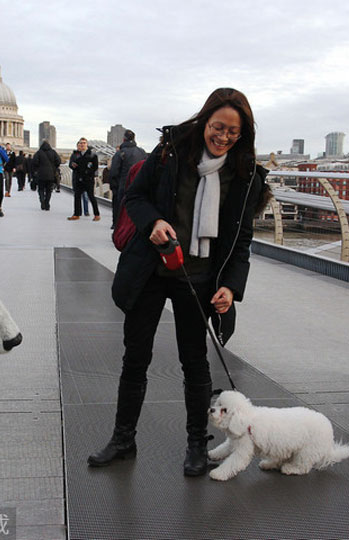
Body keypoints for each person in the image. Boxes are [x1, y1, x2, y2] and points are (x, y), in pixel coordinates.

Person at [87, 88, 271, 476]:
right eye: (218, 127)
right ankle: (123, 438)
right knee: (135, 357)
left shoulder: (245, 174)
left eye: (233, 133)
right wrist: (153, 222)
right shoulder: (171, 152)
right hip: (151, 270)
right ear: (205, 120)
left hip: (200, 276)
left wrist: (231, 288)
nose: (223, 138)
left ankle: (196, 445)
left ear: (244, 134)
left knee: (195, 362)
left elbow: (241, 240)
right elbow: (133, 198)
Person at [108, 130, 147, 230]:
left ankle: (118, 227)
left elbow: (113, 172)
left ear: (123, 139)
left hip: (123, 186)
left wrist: (114, 186)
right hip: (139, 186)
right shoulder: (142, 152)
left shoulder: (120, 153)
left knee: (120, 209)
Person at [67, 138, 100, 221]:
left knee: (91, 196)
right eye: (81, 143)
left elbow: (95, 167)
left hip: (88, 179)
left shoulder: (92, 155)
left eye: (84, 143)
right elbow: (70, 164)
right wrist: (72, 165)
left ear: (87, 144)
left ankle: (97, 214)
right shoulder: (75, 154)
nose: (82, 144)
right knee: (77, 196)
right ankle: (76, 214)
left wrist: (87, 171)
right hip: (78, 178)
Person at [31, 139, 61, 211]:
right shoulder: (53, 152)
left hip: (41, 174)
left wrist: (38, 169)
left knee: (41, 189)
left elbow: (34, 162)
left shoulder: (38, 153)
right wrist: (53, 167)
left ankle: (42, 201)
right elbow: (58, 161)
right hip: (51, 175)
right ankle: (47, 203)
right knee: (49, 190)